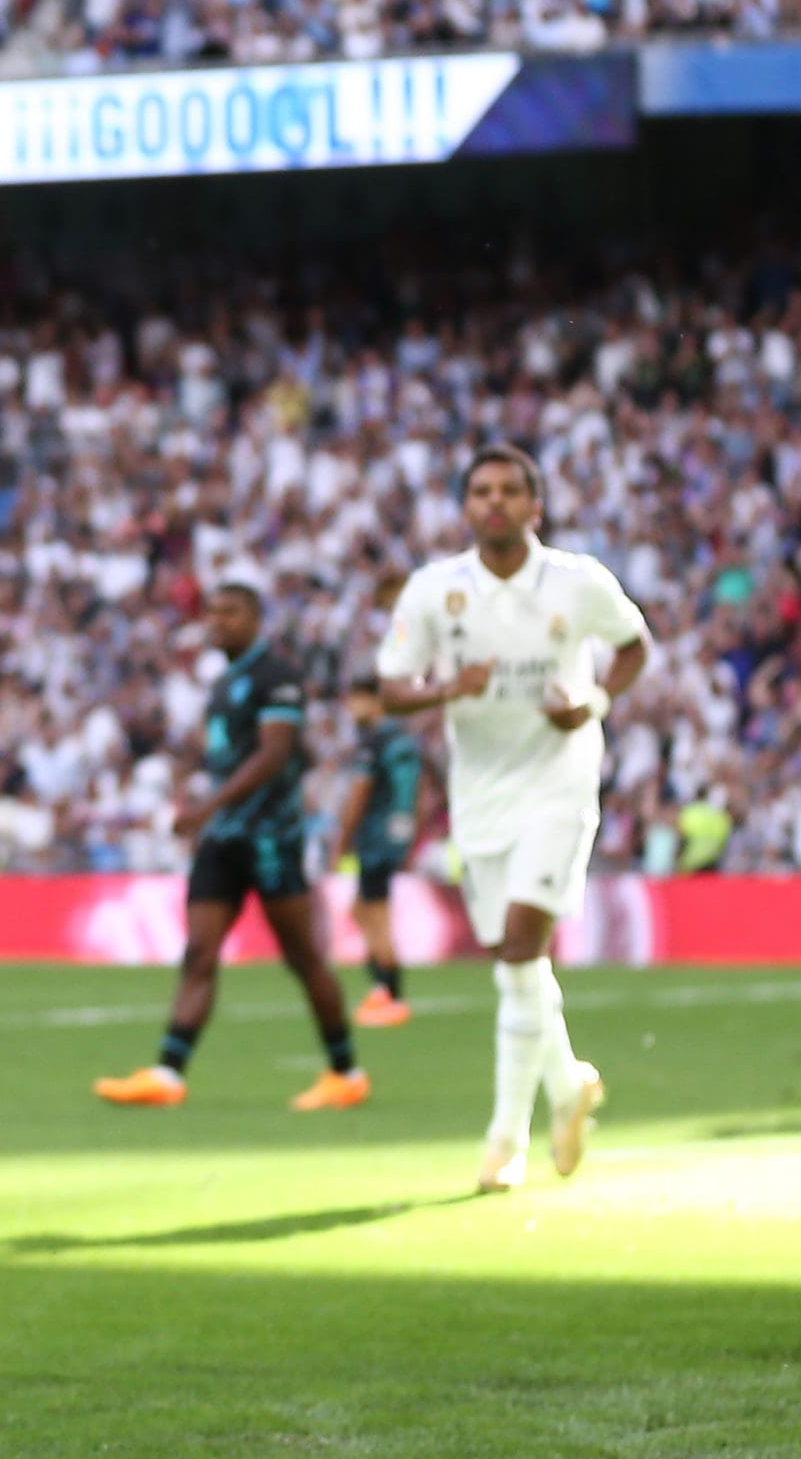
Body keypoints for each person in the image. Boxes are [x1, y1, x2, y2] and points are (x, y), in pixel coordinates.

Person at [376, 444, 648, 1192]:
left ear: (535, 506)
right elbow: (389, 687)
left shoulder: (578, 580)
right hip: (481, 793)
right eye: (481, 492)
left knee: (524, 941)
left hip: (560, 782)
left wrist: (591, 703)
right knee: (513, 961)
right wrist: (445, 689)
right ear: (467, 508)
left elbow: (633, 645)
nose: (494, 502)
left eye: (508, 491)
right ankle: (567, 1086)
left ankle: (504, 1141)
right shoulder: (436, 591)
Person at [96, 584, 371, 1112]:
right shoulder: (224, 681)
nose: (218, 620)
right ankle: (168, 1074)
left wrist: (208, 805)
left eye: (231, 612)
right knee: (199, 951)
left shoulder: (277, 676)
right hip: (225, 836)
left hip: (270, 837)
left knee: (302, 956)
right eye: (213, 612)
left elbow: (274, 754)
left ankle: (346, 1072)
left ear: (256, 619)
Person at [333, 674, 426, 1028]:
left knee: (376, 915)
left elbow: (360, 794)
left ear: (374, 701)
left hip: (375, 837)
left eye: (355, 699)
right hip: (396, 833)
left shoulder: (373, 742)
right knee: (362, 909)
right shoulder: (402, 740)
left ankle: (389, 993)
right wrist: (412, 833)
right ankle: (382, 987)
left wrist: (342, 841)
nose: (350, 708)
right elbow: (418, 789)